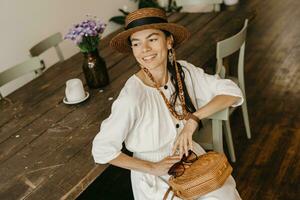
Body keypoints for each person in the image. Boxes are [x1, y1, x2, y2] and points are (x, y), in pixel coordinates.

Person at [92, 7, 243, 200]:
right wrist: (152, 167)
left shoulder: (183, 72)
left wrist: (193, 120)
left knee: (224, 196)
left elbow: (231, 92)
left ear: (169, 41)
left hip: (189, 159)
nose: (144, 49)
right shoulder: (132, 97)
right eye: (136, 44)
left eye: (152, 39)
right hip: (153, 176)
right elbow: (101, 150)